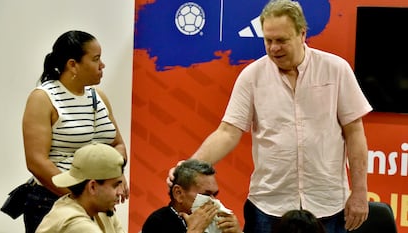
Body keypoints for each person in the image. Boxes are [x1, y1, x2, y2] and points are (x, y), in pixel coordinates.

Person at [168, 0, 372, 233]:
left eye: (282, 40)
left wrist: (360, 191)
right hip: (268, 207)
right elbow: (227, 132)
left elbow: (355, 133)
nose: (274, 48)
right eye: (268, 40)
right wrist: (189, 166)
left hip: (329, 205)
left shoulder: (336, 69)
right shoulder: (251, 76)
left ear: (302, 34)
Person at [22, 30, 129, 233]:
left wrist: (116, 173)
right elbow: (36, 161)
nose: (102, 65)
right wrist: (80, 196)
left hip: (93, 199)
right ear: (73, 64)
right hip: (52, 199)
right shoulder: (43, 98)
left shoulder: (99, 97)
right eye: (96, 59)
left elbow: (117, 144)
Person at [35, 142, 126, 233]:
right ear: (92, 187)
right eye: (115, 185)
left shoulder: (102, 209)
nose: (121, 192)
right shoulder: (74, 223)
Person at [143, 159, 243, 233]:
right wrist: (195, 231)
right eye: (206, 195)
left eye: (214, 195)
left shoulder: (218, 222)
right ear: (178, 193)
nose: (213, 201)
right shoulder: (158, 223)